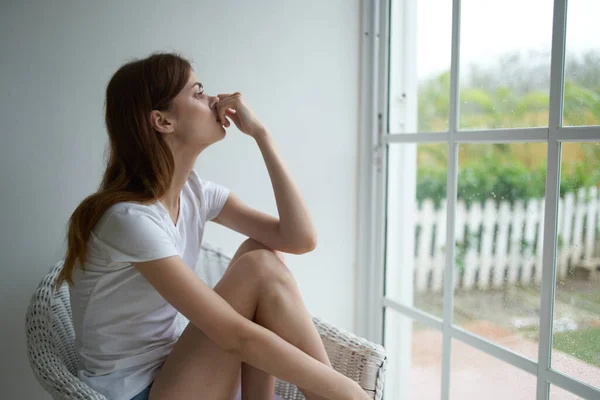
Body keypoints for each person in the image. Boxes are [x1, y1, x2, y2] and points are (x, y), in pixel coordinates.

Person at [57, 52, 370, 400]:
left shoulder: (194, 193)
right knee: (257, 265)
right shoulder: (129, 221)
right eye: (198, 92)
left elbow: (299, 239)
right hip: (136, 391)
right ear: (162, 121)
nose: (216, 100)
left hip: (172, 371)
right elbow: (235, 335)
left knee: (261, 252)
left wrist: (262, 135)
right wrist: (346, 389)